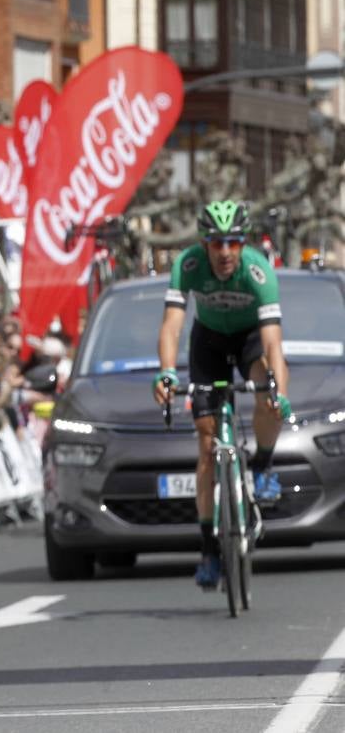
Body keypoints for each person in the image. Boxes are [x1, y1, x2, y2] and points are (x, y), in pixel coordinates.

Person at [152, 200, 291, 592]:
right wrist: (165, 372)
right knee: (206, 444)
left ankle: (262, 465)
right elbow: (171, 327)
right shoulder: (189, 265)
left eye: (233, 242)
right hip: (208, 345)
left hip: (249, 340)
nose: (226, 252)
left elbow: (273, 344)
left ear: (243, 242)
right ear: (204, 243)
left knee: (267, 389)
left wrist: (278, 394)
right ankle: (209, 550)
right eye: (216, 243)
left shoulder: (258, 271)